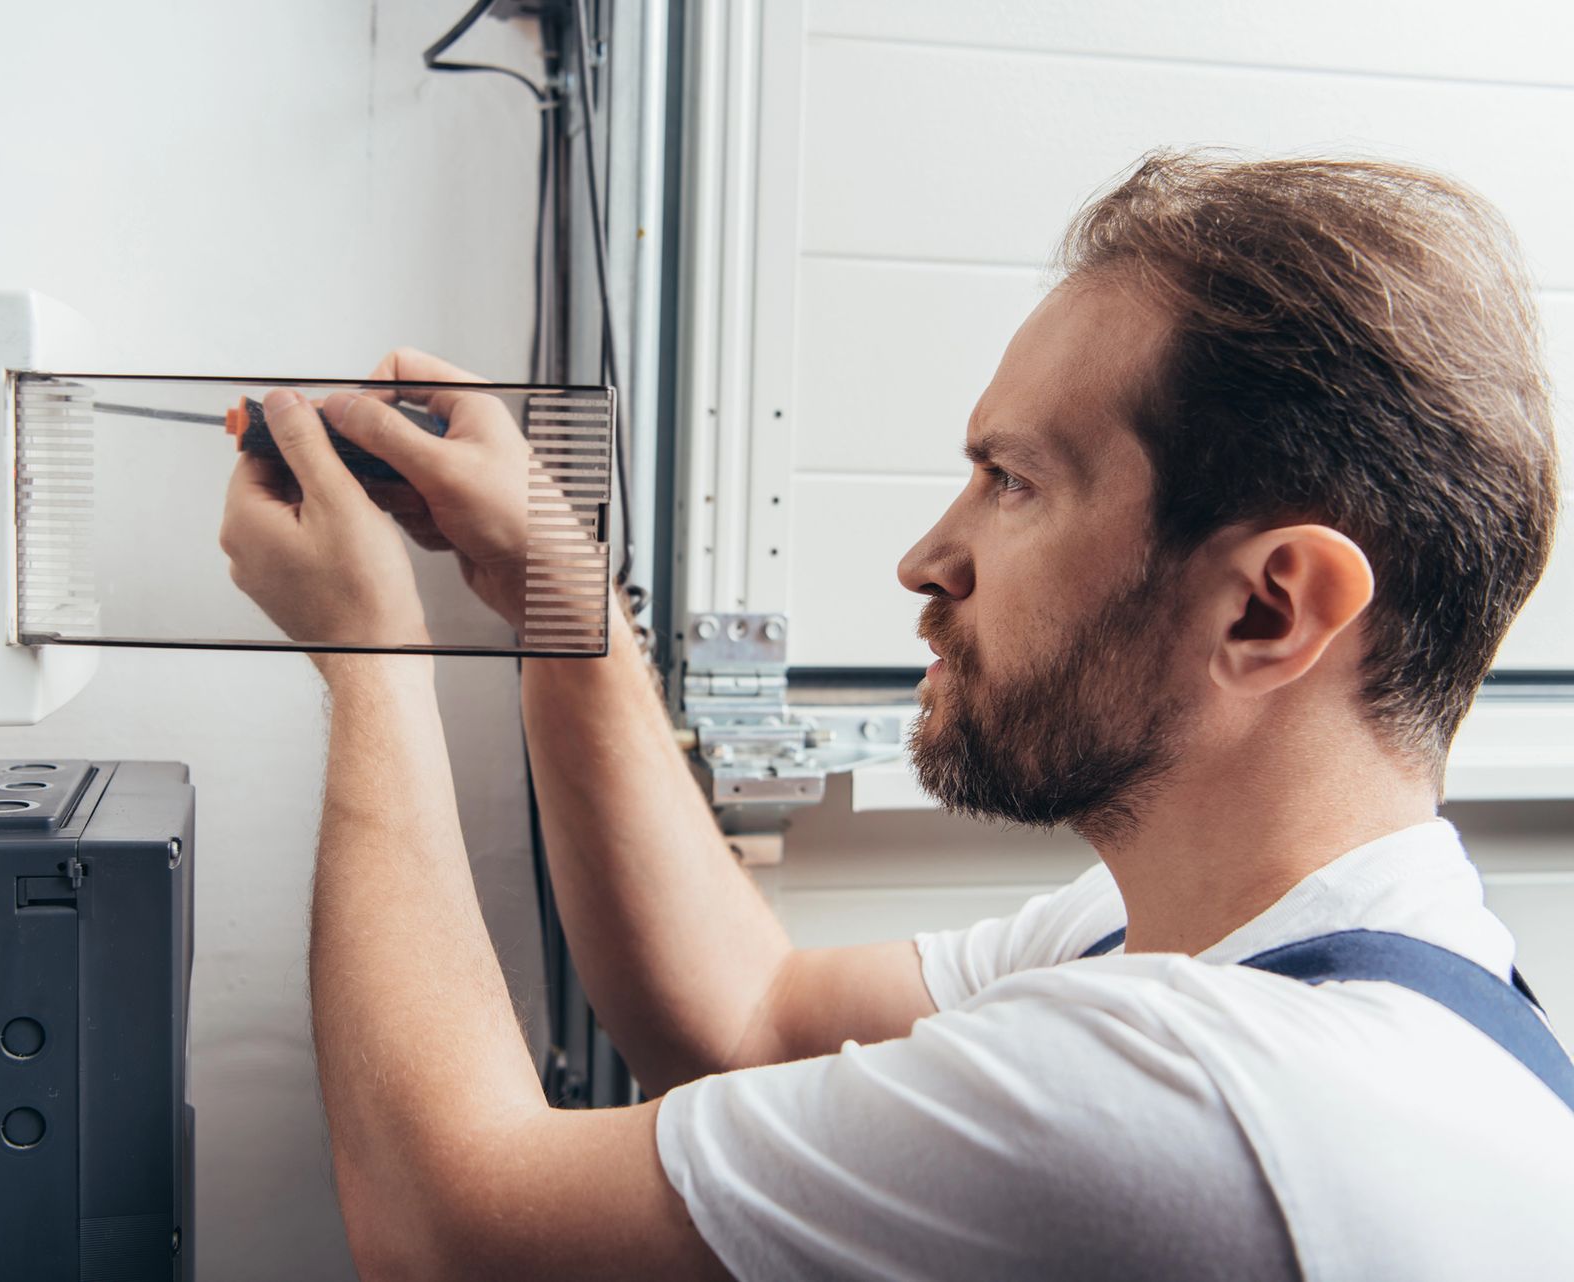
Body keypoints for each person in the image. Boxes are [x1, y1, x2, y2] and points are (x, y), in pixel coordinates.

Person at [219, 151, 1573, 1279]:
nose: (928, 557)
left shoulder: (1203, 1094)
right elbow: (743, 1013)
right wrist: (553, 585)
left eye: (1015, 483)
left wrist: (369, 648)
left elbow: (445, 1225)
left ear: (1270, 609)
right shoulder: (1229, 945)